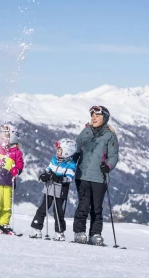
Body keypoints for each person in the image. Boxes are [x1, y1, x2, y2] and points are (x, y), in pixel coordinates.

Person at [72, 105, 119, 245]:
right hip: (82, 175)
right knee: (83, 205)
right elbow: (75, 150)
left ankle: (95, 234)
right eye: (92, 115)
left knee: (96, 207)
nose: (94, 118)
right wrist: (68, 166)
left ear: (104, 118)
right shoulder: (85, 132)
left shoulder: (110, 136)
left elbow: (114, 156)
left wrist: (108, 166)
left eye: (97, 116)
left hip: (100, 177)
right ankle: (79, 232)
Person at [29, 138, 77, 241]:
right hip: (50, 187)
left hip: (60, 190)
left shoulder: (71, 164)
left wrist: (59, 178)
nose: (57, 152)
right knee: (43, 207)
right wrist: (44, 175)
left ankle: (59, 233)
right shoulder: (54, 159)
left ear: (67, 152)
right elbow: (49, 169)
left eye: (60, 150)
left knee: (57, 211)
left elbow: (69, 178)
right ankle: (36, 229)